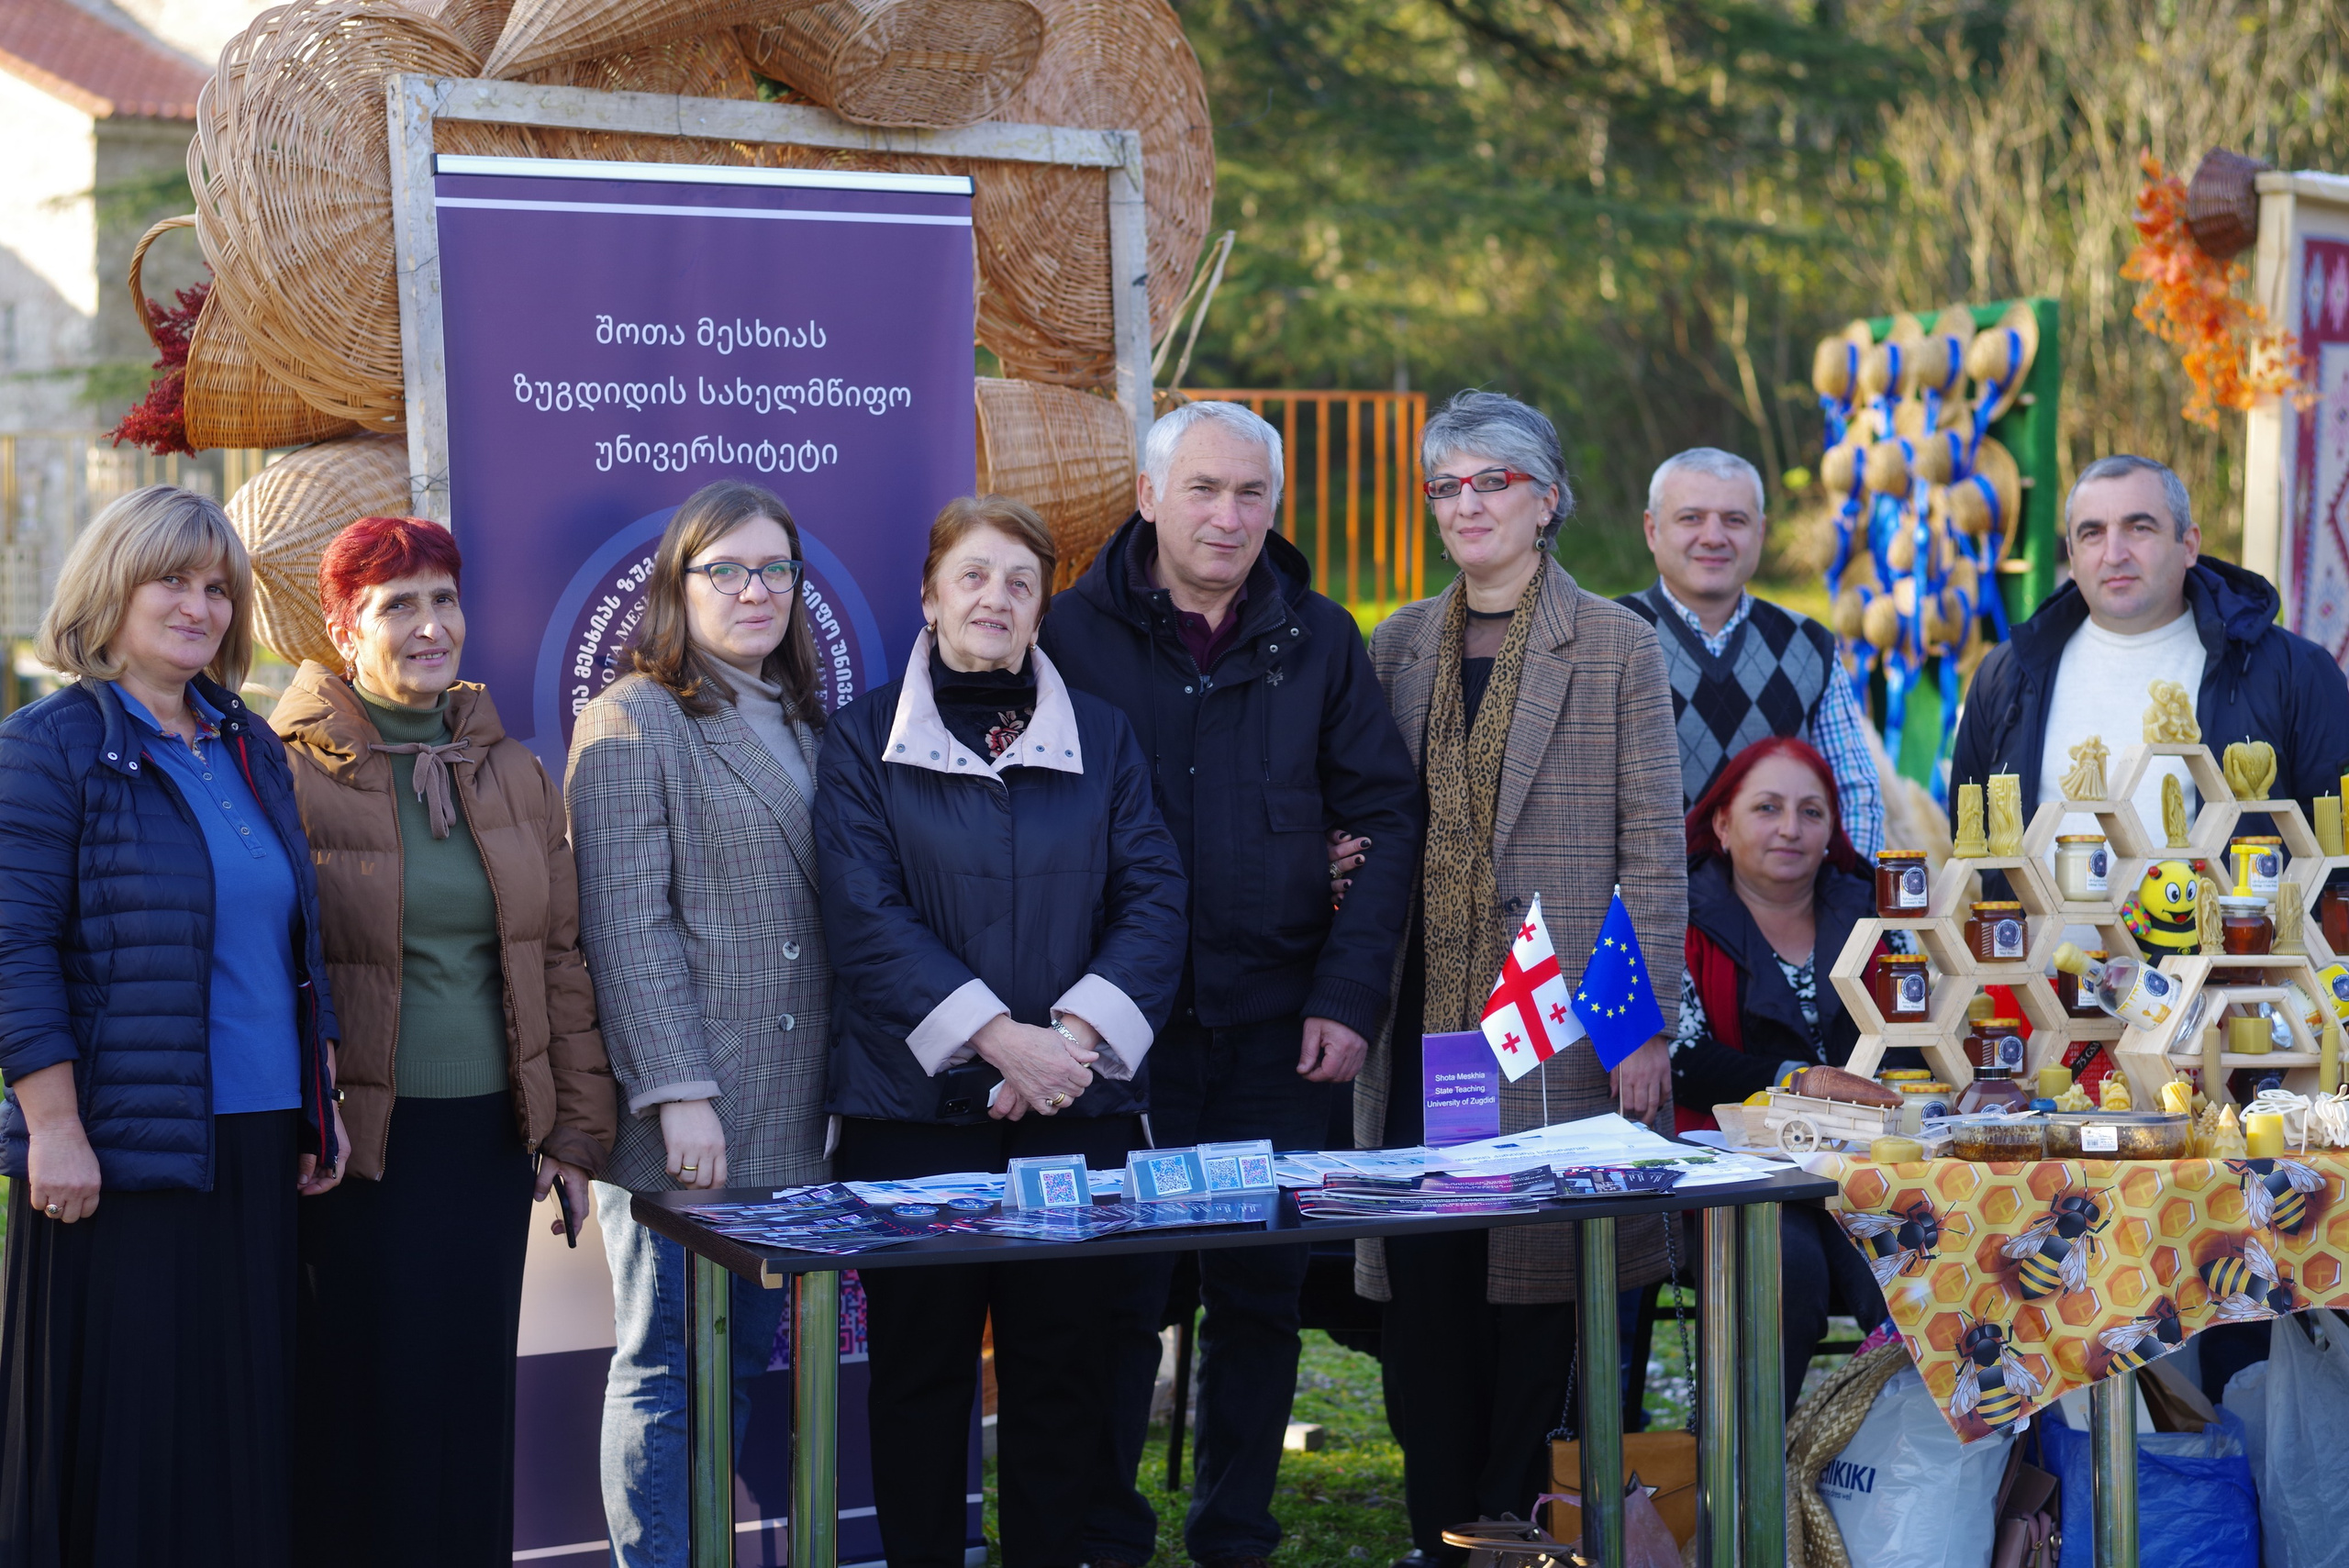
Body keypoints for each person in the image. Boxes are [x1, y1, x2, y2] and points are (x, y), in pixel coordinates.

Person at [1041, 400, 1421, 1568]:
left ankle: (1235, 1535)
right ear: (1149, 496)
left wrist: (1349, 998)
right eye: (1203, 489)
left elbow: (1387, 812)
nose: (1228, 514)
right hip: (1119, 1033)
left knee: (1260, 1295)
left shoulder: (1318, 633)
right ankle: (1106, 1534)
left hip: (1276, 1028)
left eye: (1251, 493)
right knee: (1118, 1296)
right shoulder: (1069, 635)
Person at [816, 495, 1187, 1568]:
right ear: (930, 597)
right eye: (973, 576)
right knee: (921, 1373)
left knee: (1063, 1367)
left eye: (1021, 581)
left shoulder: (1106, 737)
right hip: (911, 1118)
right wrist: (999, 1041)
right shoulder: (858, 741)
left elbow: (1156, 899)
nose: (996, 597)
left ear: (1042, 608)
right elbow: (863, 916)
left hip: (1077, 1107)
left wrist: (1065, 1043)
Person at [1358, 390, 1684, 1567]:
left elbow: (1654, 841)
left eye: (1490, 479)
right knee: (1429, 1295)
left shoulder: (1614, 643)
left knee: (1539, 1292)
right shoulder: (1394, 643)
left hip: (1555, 1024)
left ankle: (1516, 1529)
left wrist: (1643, 1027)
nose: (1465, 503)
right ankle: (1437, 1527)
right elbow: (1370, 817)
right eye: (1445, 485)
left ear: (1546, 498)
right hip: (1429, 1027)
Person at [0, 485, 343, 1568]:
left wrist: (316, 1104)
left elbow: (292, 942)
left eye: (216, 588)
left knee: (239, 1422)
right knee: (135, 1440)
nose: (198, 606)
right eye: (172, 580)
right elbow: (12, 949)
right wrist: (52, 1127)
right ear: (111, 589)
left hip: (253, 1136)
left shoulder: (247, 740)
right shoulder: (48, 746)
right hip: (120, 1151)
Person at [273, 515, 616, 1565]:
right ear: (342, 626)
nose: (430, 625)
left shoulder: (507, 768)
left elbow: (558, 954)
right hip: (354, 1146)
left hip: (482, 1138)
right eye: (397, 604)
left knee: (469, 1398)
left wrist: (574, 1132)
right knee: (361, 1400)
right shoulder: (284, 769)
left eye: (443, 598)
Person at [567, 481, 833, 1568]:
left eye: (774, 568)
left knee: (741, 1364)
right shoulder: (634, 715)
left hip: (794, 1103)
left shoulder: (809, 719)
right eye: (724, 569)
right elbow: (624, 922)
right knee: (667, 1364)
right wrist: (678, 1091)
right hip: (692, 1112)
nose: (754, 589)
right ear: (676, 585)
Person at [1665, 735, 1908, 1396]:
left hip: (1864, 1172)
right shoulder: (1677, 916)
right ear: (1722, 821)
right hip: (1732, 1178)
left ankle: (1913, 1475)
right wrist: (1799, 1082)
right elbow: (1683, 1058)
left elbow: (1912, 1041)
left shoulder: (1876, 913)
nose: (1790, 829)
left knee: (1906, 1263)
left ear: (1832, 828)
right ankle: (1748, 1476)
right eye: (1767, 808)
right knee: (1785, 1273)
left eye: (1811, 812)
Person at [1953, 452, 2349, 840]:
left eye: (2139, 528)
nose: (2114, 554)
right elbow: (1972, 841)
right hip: (2041, 910)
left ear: (2189, 545)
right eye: (2092, 534)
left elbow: (2337, 863)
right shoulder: (2005, 675)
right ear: (2071, 557)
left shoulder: (2295, 672)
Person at [1617, 447, 1885, 859]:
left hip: (1780, 914)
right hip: (1643, 913)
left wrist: (1848, 902)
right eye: (1691, 518)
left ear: (1759, 532)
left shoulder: (1809, 646)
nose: (1713, 536)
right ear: (1652, 530)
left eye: (1734, 520)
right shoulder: (1604, 638)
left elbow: (1854, 793)